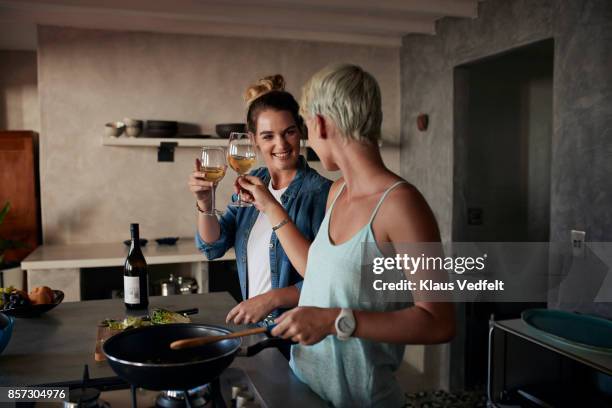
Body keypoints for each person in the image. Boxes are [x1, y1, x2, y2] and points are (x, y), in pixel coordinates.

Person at [236, 64, 456, 407]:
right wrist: (268, 205)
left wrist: (335, 320)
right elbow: (317, 270)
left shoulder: (402, 205)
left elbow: (439, 322)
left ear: (320, 123)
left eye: (304, 125)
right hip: (304, 386)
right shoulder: (337, 191)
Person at [189, 74, 332, 326]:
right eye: (268, 136)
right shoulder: (254, 181)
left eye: (288, 132)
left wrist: (272, 299)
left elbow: (329, 278)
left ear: (300, 131)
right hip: (255, 328)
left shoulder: (321, 193)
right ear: (253, 139)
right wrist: (205, 203)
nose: (281, 144)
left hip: (296, 333)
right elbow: (213, 246)